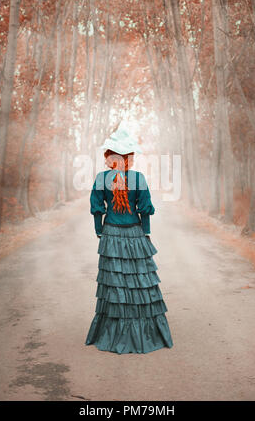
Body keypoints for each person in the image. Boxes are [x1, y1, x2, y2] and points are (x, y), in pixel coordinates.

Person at [85, 127, 173, 354]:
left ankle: (114, 331)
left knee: (115, 282)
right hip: (135, 234)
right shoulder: (138, 178)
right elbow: (145, 209)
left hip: (111, 235)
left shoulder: (101, 178)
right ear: (127, 158)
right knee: (139, 281)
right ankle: (143, 331)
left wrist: (99, 232)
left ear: (111, 157)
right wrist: (146, 233)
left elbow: (97, 209)